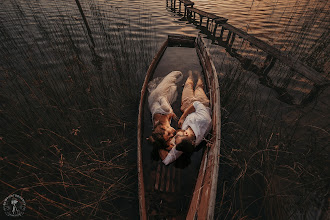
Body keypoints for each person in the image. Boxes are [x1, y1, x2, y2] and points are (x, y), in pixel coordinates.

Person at [161, 71, 212, 165]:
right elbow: (196, 104)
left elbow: (170, 158)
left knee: (188, 85)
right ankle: (196, 75)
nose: (176, 134)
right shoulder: (204, 120)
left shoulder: (186, 141)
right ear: (186, 134)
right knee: (199, 87)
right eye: (178, 136)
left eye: (175, 138)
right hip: (201, 105)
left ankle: (191, 75)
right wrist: (183, 117)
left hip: (187, 107)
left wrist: (165, 159)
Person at [147, 71, 183, 148]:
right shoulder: (158, 128)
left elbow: (161, 98)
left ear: (163, 127)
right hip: (157, 105)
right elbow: (158, 137)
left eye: (169, 134)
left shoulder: (165, 110)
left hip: (158, 97)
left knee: (173, 87)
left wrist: (171, 111)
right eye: (170, 136)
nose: (172, 135)